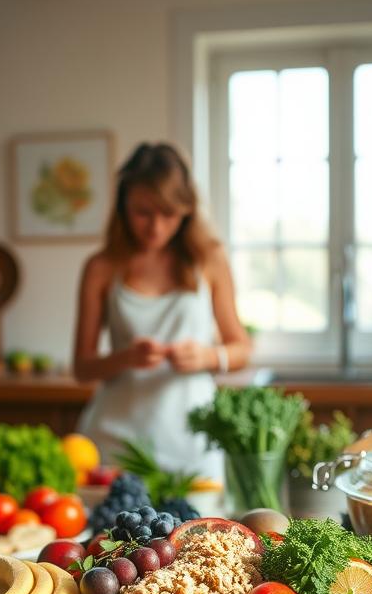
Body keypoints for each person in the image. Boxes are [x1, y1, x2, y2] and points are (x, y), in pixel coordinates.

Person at [73, 143, 251, 480]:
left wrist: (208, 358)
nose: (155, 226)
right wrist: (126, 358)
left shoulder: (209, 258)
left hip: (194, 445)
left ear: (186, 209)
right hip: (115, 442)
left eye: (168, 213)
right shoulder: (100, 267)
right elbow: (82, 367)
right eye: (143, 212)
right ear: (124, 206)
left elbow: (241, 347)